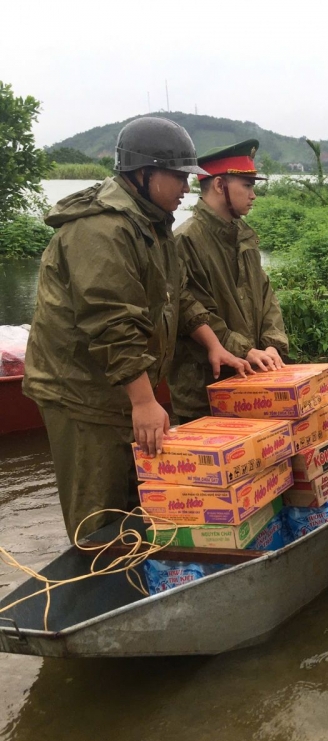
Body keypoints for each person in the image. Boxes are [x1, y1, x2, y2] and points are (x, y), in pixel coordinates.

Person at [23, 116, 250, 540]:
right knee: (100, 513)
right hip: (82, 394)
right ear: (144, 173)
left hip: (119, 388)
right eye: (179, 176)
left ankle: (136, 576)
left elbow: (177, 297)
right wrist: (144, 401)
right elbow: (111, 320)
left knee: (136, 503)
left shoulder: (152, 223)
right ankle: (98, 588)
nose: (186, 187)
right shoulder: (102, 229)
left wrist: (214, 345)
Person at [168, 139, 288, 422]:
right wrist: (245, 349)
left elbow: (265, 294)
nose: (253, 195)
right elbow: (190, 310)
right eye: (246, 185)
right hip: (206, 388)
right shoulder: (184, 241)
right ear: (220, 185)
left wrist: (272, 344)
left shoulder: (244, 236)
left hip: (253, 379)